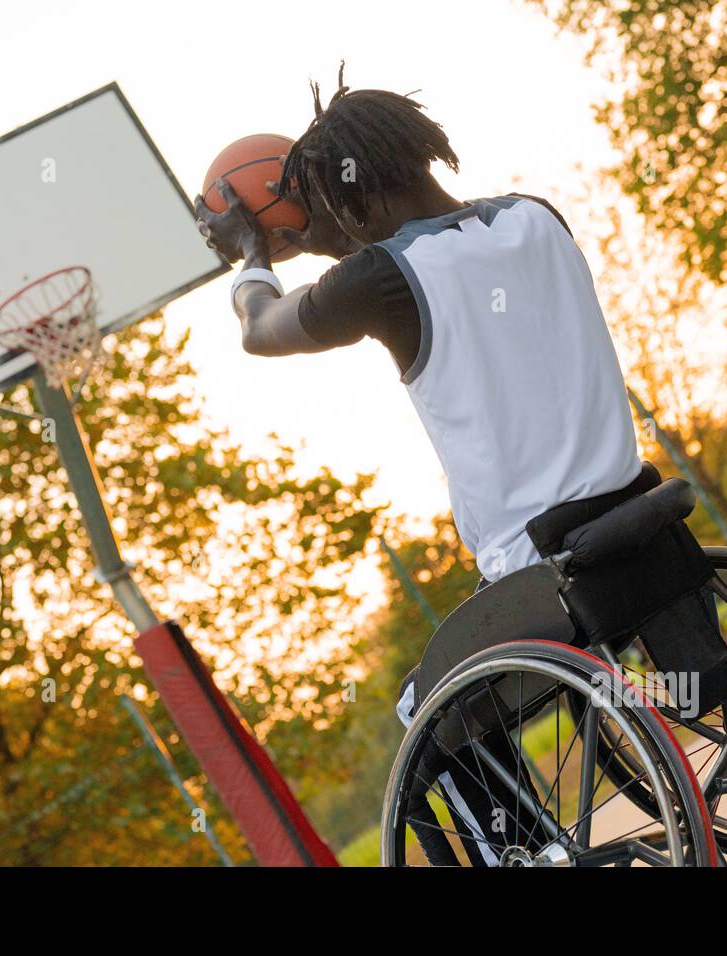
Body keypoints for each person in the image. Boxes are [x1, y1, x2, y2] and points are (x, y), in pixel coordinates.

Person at [194, 66, 642, 865]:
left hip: (540, 563)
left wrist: (252, 253)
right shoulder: (535, 216)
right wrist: (326, 227)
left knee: (424, 715)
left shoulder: (385, 278)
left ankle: (528, 858)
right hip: (636, 513)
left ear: (349, 196)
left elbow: (261, 329)